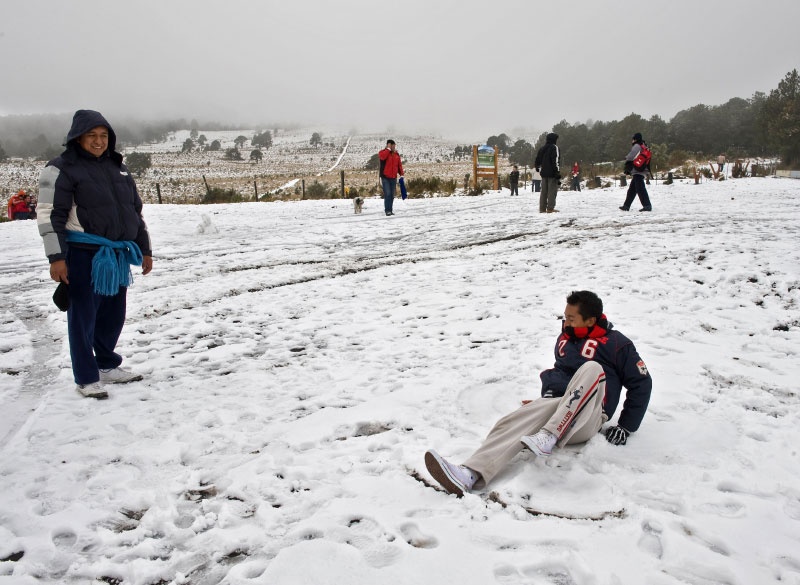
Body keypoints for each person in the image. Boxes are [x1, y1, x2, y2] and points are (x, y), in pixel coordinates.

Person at [425, 290, 652, 497]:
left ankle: (549, 435)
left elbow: (642, 382)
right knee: (512, 420)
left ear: (591, 320)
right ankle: (469, 473)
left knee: (592, 369)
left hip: (588, 419)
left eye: (572, 319)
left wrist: (626, 426)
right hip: (562, 409)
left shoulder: (617, 344)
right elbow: (560, 373)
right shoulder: (565, 340)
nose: (566, 322)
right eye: (565, 317)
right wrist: (546, 401)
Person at [37, 109, 153, 399]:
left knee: (113, 315)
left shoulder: (118, 168)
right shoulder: (61, 168)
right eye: (92, 135)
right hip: (83, 254)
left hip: (116, 256)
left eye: (104, 136)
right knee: (83, 317)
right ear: (78, 138)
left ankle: (106, 364)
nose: (99, 141)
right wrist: (57, 258)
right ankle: (87, 378)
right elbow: (50, 215)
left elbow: (134, 212)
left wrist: (145, 249)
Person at [619, 132, 652, 212]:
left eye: (633, 139)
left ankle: (647, 205)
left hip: (638, 170)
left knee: (640, 189)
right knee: (632, 190)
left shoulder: (637, 145)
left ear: (635, 139)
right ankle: (626, 205)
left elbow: (631, 156)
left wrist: (626, 158)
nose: (632, 141)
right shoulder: (644, 145)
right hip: (642, 168)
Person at [534, 133, 560, 213]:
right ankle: (550, 208)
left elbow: (537, 159)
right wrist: (557, 172)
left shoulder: (542, 148)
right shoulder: (554, 148)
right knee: (552, 191)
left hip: (543, 173)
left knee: (544, 191)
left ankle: (542, 208)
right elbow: (555, 161)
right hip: (552, 173)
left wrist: (537, 167)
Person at [378, 139, 404, 216]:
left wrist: (401, 174)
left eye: (394, 145)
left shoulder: (396, 155)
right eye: (392, 145)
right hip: (385, 177)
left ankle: (390, 210)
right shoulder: (383, 152)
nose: (394, 147)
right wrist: (388, 149)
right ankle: (387, 210)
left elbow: (399, 165)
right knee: (388, 194)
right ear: (389, 145)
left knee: (392, 195)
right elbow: (382, 157)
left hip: (393, 177)